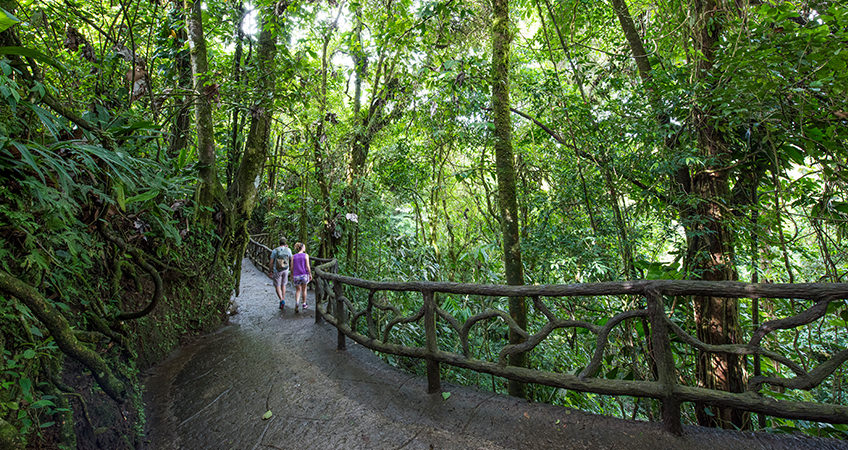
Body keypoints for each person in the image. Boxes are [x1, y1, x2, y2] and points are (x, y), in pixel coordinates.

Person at [269, 238, 292, 310]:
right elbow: (291, 259)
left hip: (277, 270)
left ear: (279, 243)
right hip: (285, 269)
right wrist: (291, 269)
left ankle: (281, 300)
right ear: (285, 243)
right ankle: (283, 298)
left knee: (277, 285)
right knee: (284, 284)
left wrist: (270, 271)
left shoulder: (275, 250)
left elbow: (271, 262)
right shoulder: (288, 250)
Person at [291, 242, 312, 313]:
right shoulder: (306, 255)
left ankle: (297, 303)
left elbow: (292, 267)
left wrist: (291, 275)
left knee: (298, 290)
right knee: (304, 289)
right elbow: (308, 266)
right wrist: (310, 274)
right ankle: (304, 303)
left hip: (296, 275)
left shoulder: (293, 256)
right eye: (304, 247)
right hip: (304, 274)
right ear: (302, 248)